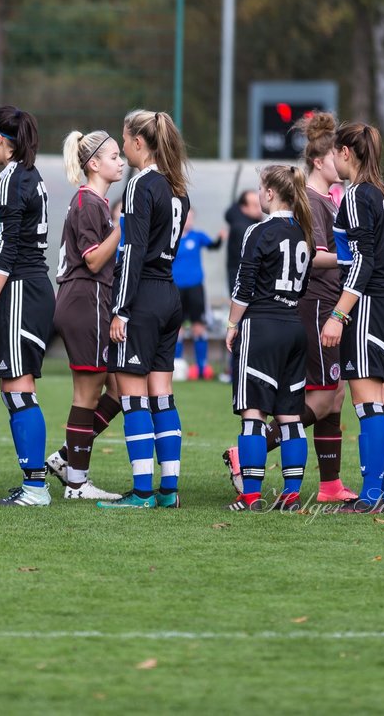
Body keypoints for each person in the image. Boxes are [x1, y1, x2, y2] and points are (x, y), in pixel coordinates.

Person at [97, 109, 191, 510]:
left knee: (133, 398)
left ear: (139, 142)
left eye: (124, 140)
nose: (122, 148)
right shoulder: (178, 188)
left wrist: (121, 309)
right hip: (169, 293)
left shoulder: (140, 185)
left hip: (144, 298)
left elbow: (132, 250)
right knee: (162, 395)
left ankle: (141, 493)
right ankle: (168, 490)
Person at [321, 122, 384, 513]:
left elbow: (362, 260)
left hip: (370, 303)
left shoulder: (355, 195)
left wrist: (339, 313)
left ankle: (371, 495)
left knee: (367, 402)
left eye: (335, 152)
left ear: (346, 153)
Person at [0, 106, 56, 507]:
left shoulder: (10, 178)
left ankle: (36, 487)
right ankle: (32, 482)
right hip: (32, 285)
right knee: (15, 389)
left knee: (19, 388)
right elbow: (15, 232)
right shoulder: (30, 174)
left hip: (20, 290)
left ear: (2, 141)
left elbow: (9, 250)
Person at [225, 165, 314, 511]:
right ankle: (291, 495)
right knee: (290, 417)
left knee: (253, 415)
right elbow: (303, 286)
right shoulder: (304, 234)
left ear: (271, 193)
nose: (259, 194)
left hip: (261, 327)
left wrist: (232, 325)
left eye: (261, 188)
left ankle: (250, 496)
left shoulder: (258, 232)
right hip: (294, 327)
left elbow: (243, 285)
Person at [46, 129, 125, 501]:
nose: (120, 161)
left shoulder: (93, 203)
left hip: (89, 300)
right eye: (113, 156)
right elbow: (93, 259)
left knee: (121, 390)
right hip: (85, 299)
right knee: (87, 392)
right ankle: (77, 483)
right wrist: (123, 228)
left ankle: (66, 458)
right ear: (93, 163)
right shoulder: (89, 202)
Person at [171, 208, 224, 381]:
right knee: (176, 327)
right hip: (176, 288)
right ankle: (176, 366)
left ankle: (202, 368)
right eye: (187, 218)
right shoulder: (172, 239)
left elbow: (213, 246)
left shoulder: (198, 236)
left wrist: (220, 239)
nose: (190, 221)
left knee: (198, 326)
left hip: (195, 289)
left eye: (192, 217)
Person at [224, 189, 263, 296]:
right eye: (255, 205)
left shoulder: (236, 217)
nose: (260, 209)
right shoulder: (246, 230)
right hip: (243, 283)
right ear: (244, 208)